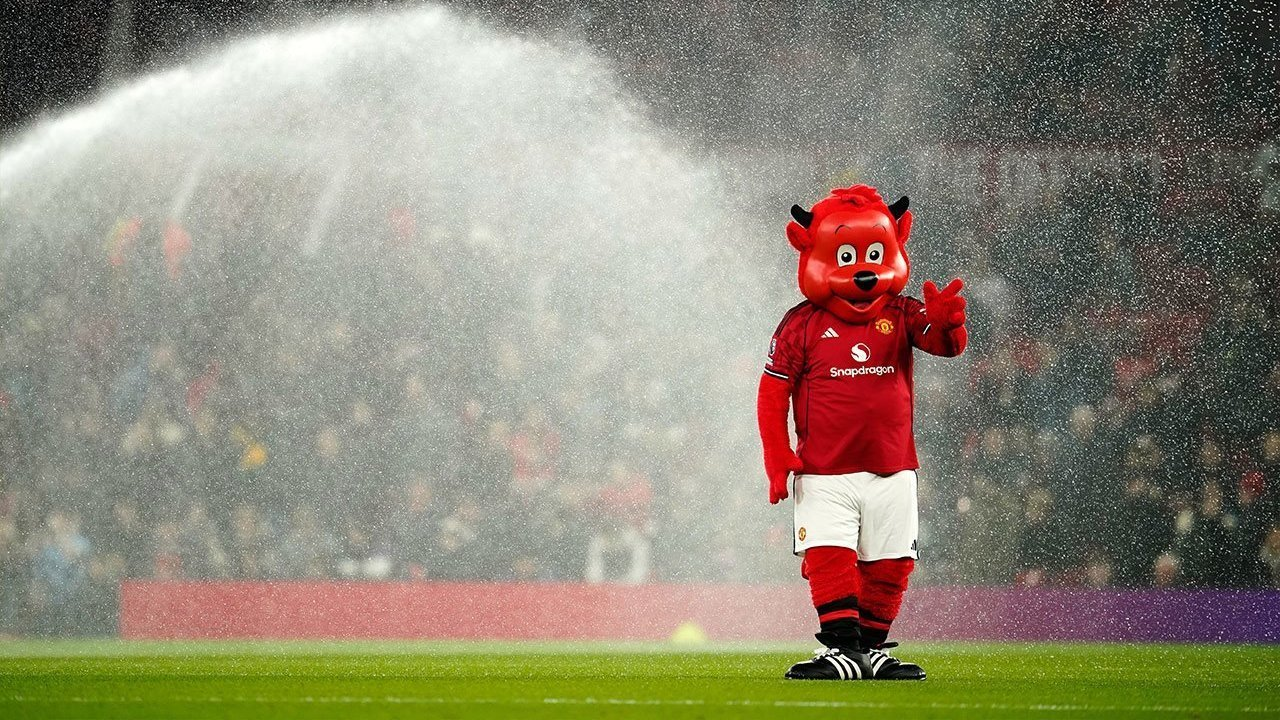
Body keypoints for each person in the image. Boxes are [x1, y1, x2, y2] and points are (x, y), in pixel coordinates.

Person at [757, 185, 967, 680]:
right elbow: (772, 392)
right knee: (829, 555)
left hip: (893, 468)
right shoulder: (799, 325)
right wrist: (777, 454)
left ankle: (870, 649)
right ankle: (839, 650)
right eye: (848, 256)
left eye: (875, 254)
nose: (865, 269)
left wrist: (949, 325)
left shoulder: (901, 312)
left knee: (891, 564)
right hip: (824, 470)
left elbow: (943, 345)